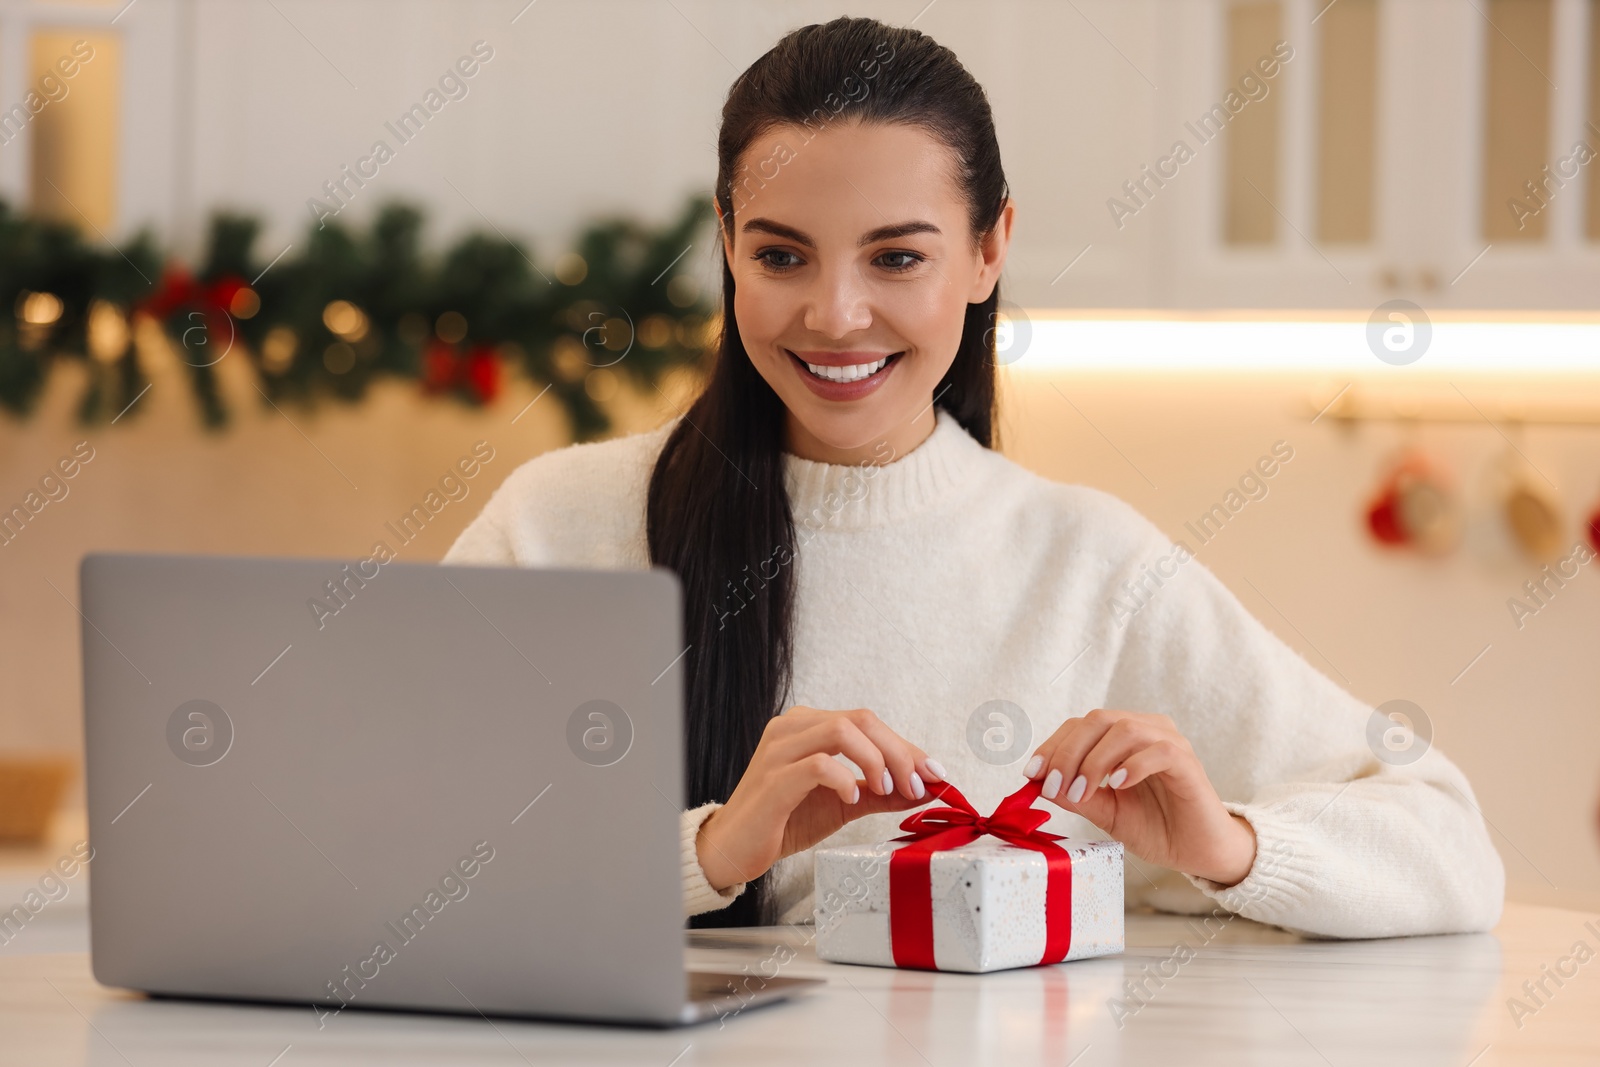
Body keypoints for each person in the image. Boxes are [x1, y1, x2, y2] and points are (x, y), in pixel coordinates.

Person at [444, 15, 1503, 939]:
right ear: (725, 242)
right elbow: (393, 857)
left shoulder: (1091, 563)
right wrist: (712, 848)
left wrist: (1226, 846)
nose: (835, 314)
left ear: (989, 248)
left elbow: (1448, 842)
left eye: (896, 257)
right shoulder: (555, 525)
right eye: (779, 256)